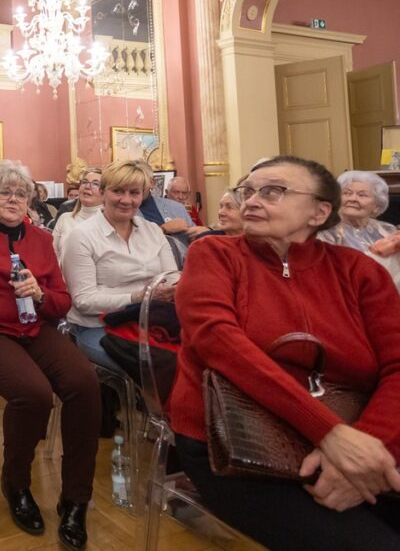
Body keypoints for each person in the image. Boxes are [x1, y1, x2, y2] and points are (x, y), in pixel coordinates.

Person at [171, 155, 400, 549]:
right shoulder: (215, 256)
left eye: (273, 191)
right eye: (248, 191)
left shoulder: (360, 271)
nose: (252, 201)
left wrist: (365, 447)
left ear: (319, 211)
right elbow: (218, 342)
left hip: (356, 430)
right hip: (236, 441)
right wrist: (328, 433)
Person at [0, 160, 100, 550]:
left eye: (21, 193)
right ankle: (16, 482)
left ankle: (76, 498)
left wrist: (40, 295)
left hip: (35, 329)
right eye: (4, 192)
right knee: (34, 393)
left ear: (31, 200)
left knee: (84, 384)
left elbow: (61, 302)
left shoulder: (42, 239)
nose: (13, 199)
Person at [61, 160, 178, 371]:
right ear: (103, 192)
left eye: (134, 193)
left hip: (151, 320)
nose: (126, 200)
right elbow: (84, 301)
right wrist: (136, 297)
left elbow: (171, 278)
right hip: (98, 327)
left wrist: (173, 289)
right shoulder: (81, 236)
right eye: (118, 191)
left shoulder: (153, 231)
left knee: (196, 354)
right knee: (158, 366)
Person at [318, 170, 400, 290]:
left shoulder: (388, 230)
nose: (353, 199)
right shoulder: (325, 230)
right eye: (347, 193)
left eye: (362, 195)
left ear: (376, 206)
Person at [51, 167, 103, 260]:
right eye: (84, 182)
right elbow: (52, 255)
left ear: (105, 192)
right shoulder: (65, 218)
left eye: (95, 184)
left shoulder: (110, 223)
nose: (87, 186)